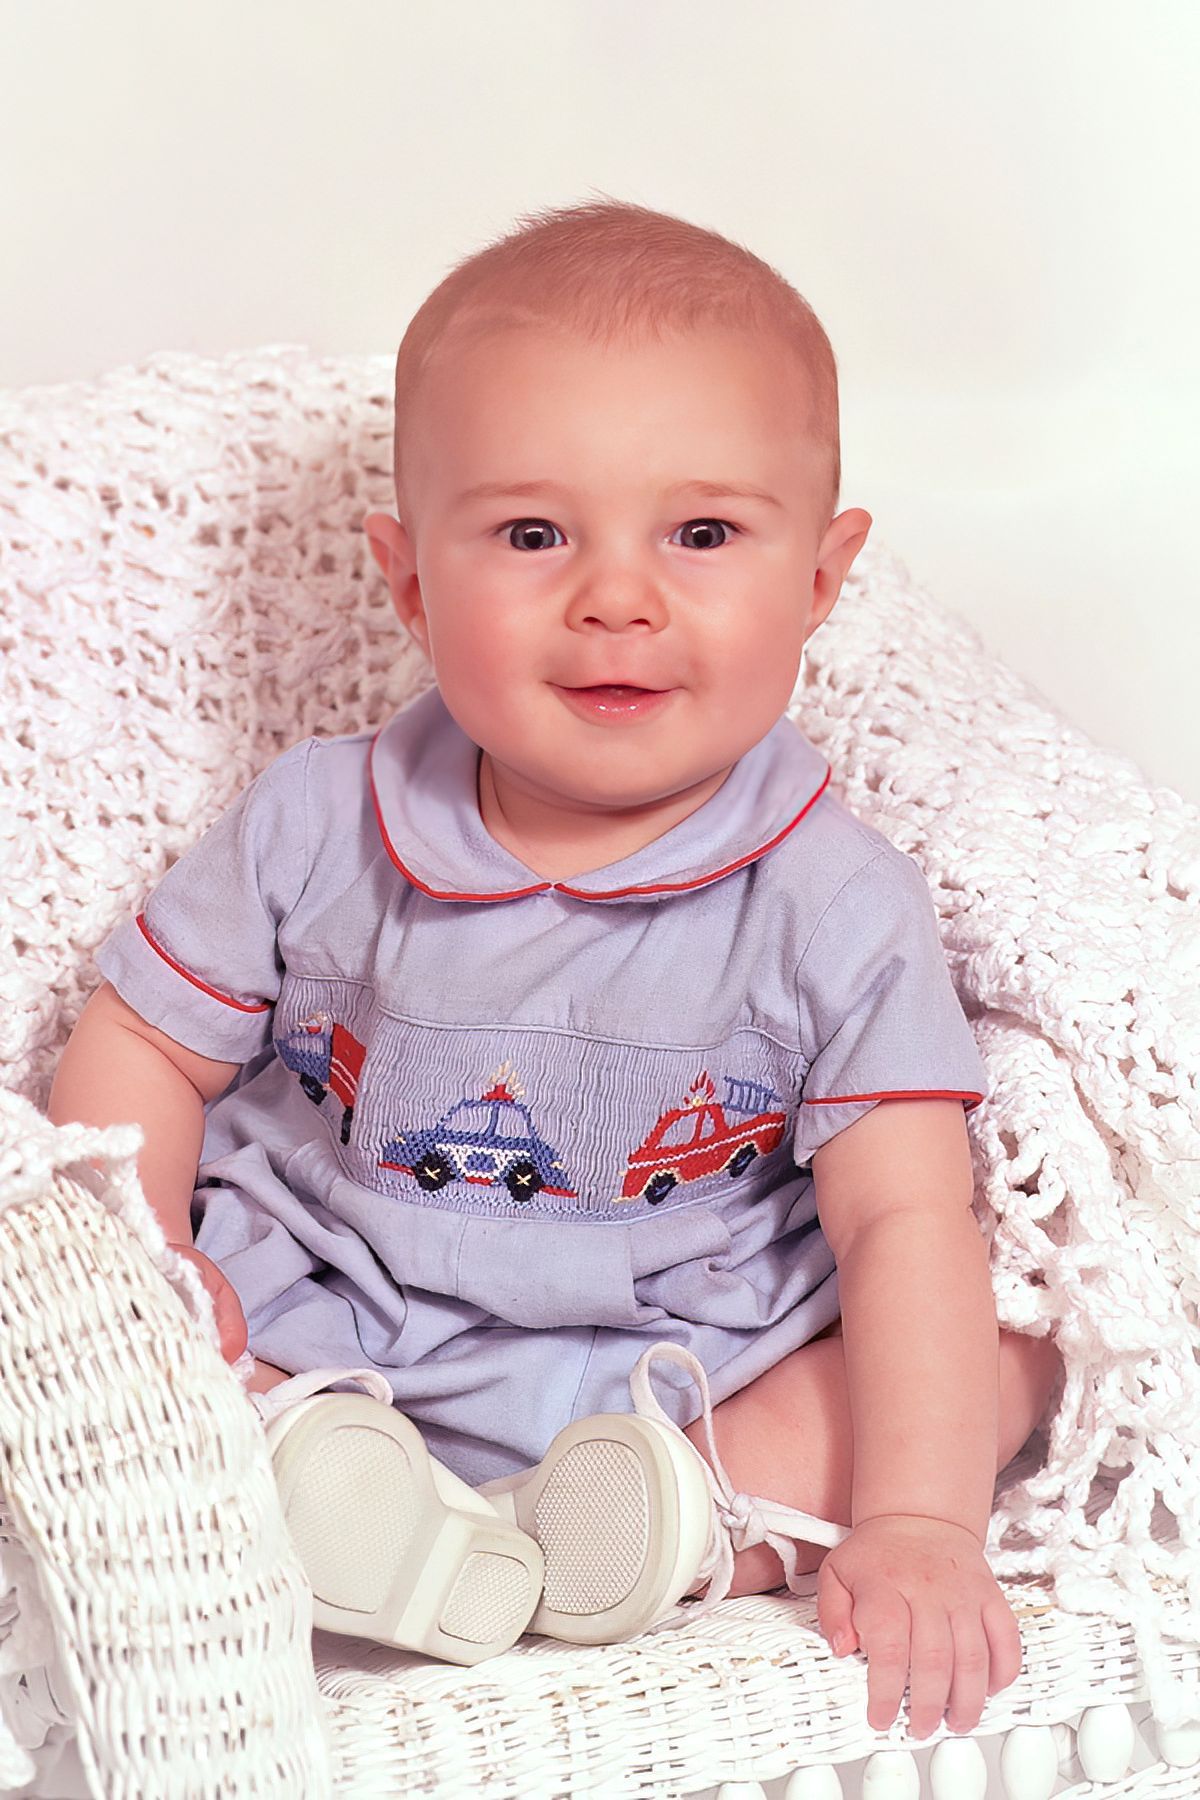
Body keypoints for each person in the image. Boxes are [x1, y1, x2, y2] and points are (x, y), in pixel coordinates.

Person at [48, 197, 1061, 1739]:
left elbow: (906, 1212)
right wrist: (147, 1251)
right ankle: (321, 1495)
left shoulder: (836, 902)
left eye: (702, 534)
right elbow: (146, 1041)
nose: (617, 596)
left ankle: (669, 1533)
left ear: (823, 579)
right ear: (406, 577)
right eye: (534, 535)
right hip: (330, 1316)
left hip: (680, 1373)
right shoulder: (322, 821)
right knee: (122, 1360)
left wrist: (919, 1523)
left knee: (1000, 1359)